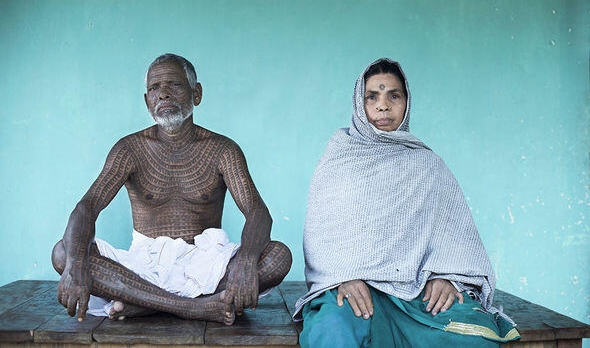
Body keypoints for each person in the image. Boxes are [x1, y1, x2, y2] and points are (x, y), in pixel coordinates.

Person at [293, 58, 520, 347]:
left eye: (394, 96)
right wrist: (343, 278)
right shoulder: (339, 157)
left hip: (414, 294)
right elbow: (321, 237)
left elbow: (455, 237)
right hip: (353, 291)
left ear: (406, 102)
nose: (383, 106)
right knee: (334, 332)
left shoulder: (427, 164)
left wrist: (447, 277)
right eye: (372, 97)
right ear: (359, 104)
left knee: (473, 336)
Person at [52, 53, 292, 325]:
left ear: (196, 93)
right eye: (154, 88)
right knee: (63, 254)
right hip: (141, 267)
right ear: (147, 102)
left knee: (278, 257)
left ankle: (145, 304)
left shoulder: (223, 149)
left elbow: (257, 212)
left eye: (174, 85)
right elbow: (88, 206)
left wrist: (247, 259)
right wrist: (76, 263)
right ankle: (194, 307)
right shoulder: (129, 148)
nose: (163, 94)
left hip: (206, 264)